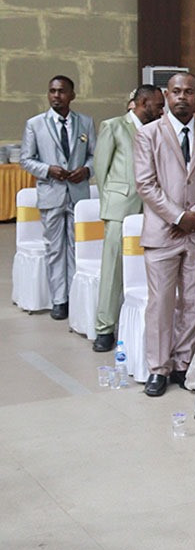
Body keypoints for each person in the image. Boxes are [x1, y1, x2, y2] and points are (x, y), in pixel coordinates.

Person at [134, 72, 195, 396]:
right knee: (161, 303)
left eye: (189, 92)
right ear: (166, 96)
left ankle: (183, 362)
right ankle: (158, 367)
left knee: (194, 301)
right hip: (162, 232)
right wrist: (179, 216)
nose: (182, 97)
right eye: (176, 91)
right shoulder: (148, 134)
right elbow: (145, 184)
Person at [91, 85, 164, 352]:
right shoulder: (114, 127)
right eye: (158, 105)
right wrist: (111, 202)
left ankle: (138, 326)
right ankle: (104, 328)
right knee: (113, 269)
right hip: (120, 207)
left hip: (151, 209)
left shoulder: (158, 130)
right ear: (143, 103)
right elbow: (101, 169)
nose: (162, 110)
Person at [19, 76, 96, 320]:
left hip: (77, 193)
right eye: (52, 91)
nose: (56, 96)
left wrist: (86, 170)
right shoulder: (35, 124)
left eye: (61, 91)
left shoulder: (85, 122)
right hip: (51, 193)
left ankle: (74, 297)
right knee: (54, 249)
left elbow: (95, 155)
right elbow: (25, 159)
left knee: (76, 247)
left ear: (72, 95)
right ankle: (59, 300)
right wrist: (47, 169)